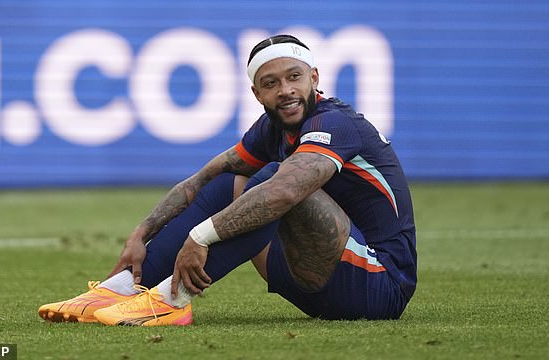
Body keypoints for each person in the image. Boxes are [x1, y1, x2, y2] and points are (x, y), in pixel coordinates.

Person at [38, 34, 417, 326]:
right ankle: (122, 288)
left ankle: (171, 301)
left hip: (379, 286)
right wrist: (141, 232)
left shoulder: (336, 122)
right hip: (313, 276)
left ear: (314, 78)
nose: (284, 90)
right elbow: (200, 181)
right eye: (270, 83)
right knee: (230, 180)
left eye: (294, 77)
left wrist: (201, 236)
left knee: (275, 181)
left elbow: (285, 190)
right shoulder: (272, 127)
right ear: (257, 93)